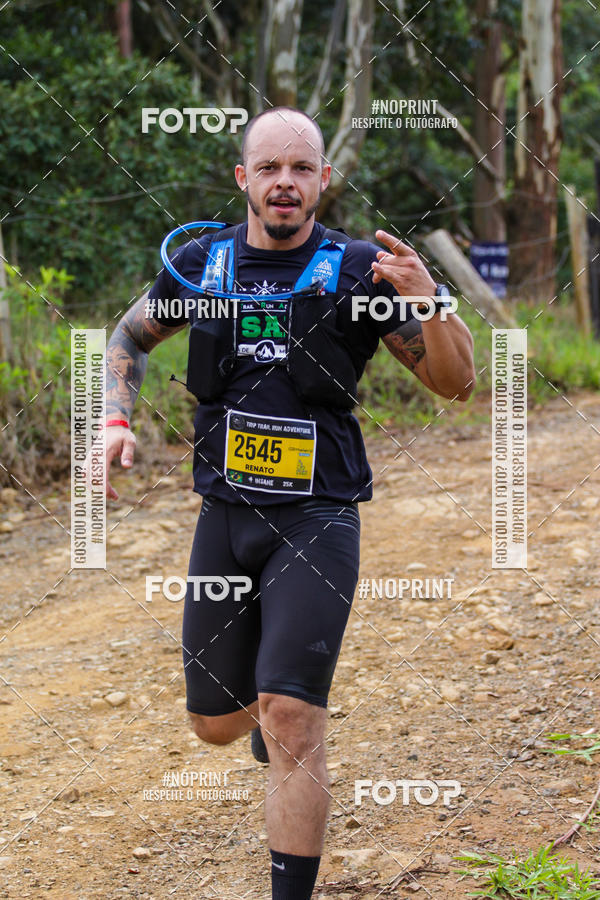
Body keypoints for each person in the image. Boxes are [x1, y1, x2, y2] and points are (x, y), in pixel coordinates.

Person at [103, 106, 475, 900]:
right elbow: (126, 338)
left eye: (301, 168)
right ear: (244, 178)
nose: (284, 182)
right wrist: (112, 420)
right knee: (214, 723)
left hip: (318, 516)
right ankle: (259, 717)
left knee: (293, 719)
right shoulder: (202, 267)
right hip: (225, 515)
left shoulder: (360, 271)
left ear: (323, 181)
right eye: (269, 167)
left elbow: (456, 382)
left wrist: (432, 300)